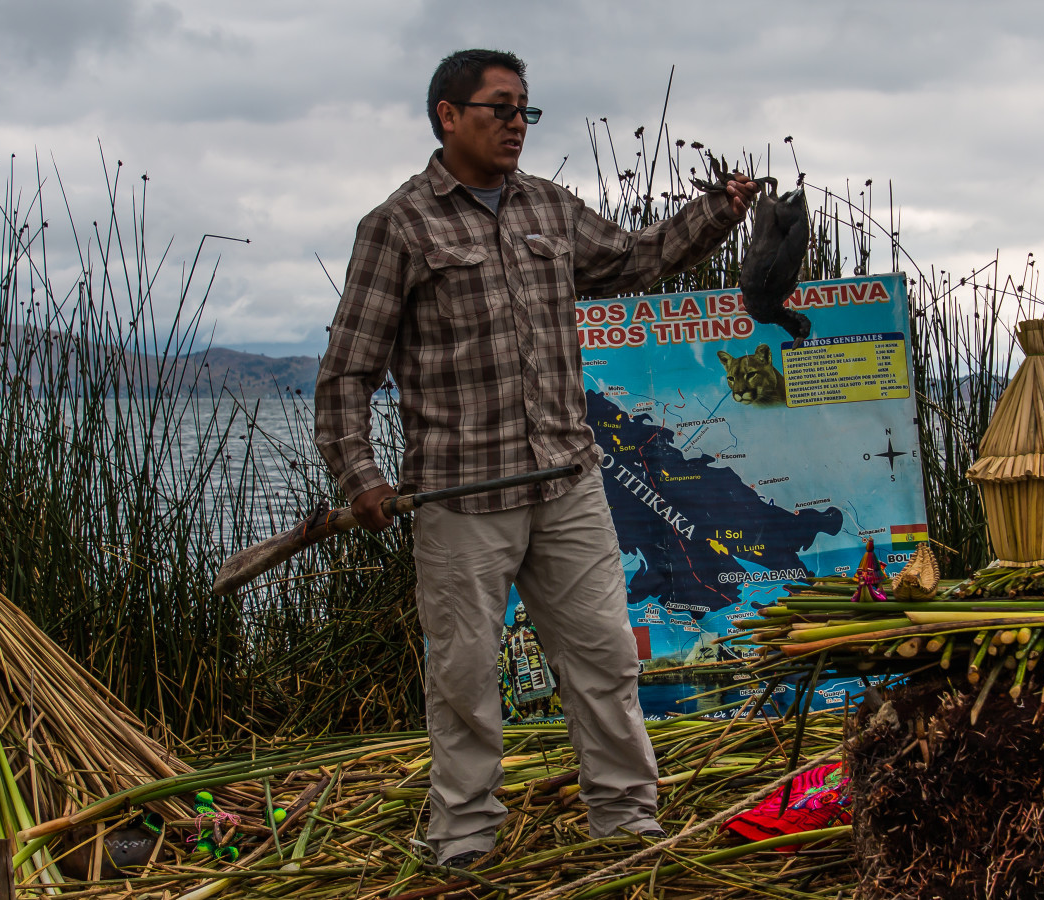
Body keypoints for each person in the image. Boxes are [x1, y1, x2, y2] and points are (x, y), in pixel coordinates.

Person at [314, 49, 758, 867]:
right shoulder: (399, 226)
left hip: (567, 485)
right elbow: (348, 372)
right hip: (459, 500)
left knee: (604, 661)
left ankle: (627, 826)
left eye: (526, 110)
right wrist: (361, 476)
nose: (518, 123)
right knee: (464, 679)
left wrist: (718, 213)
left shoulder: (549, 208)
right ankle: (464, 839)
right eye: (501, 108)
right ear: (448, 115)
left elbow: (634, 259)